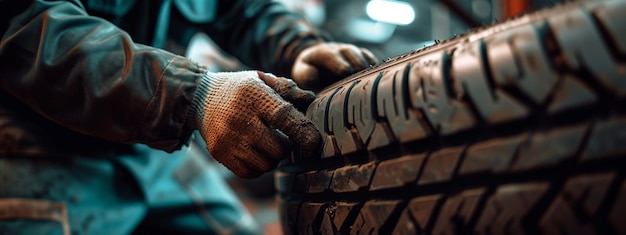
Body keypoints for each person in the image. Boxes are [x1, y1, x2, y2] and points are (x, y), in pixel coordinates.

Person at [0, 0, 378, 234]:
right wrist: (194, 94)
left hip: (145, 147)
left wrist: (296, 47)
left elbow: (240, 8)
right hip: (35, 147)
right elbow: (31, 29)